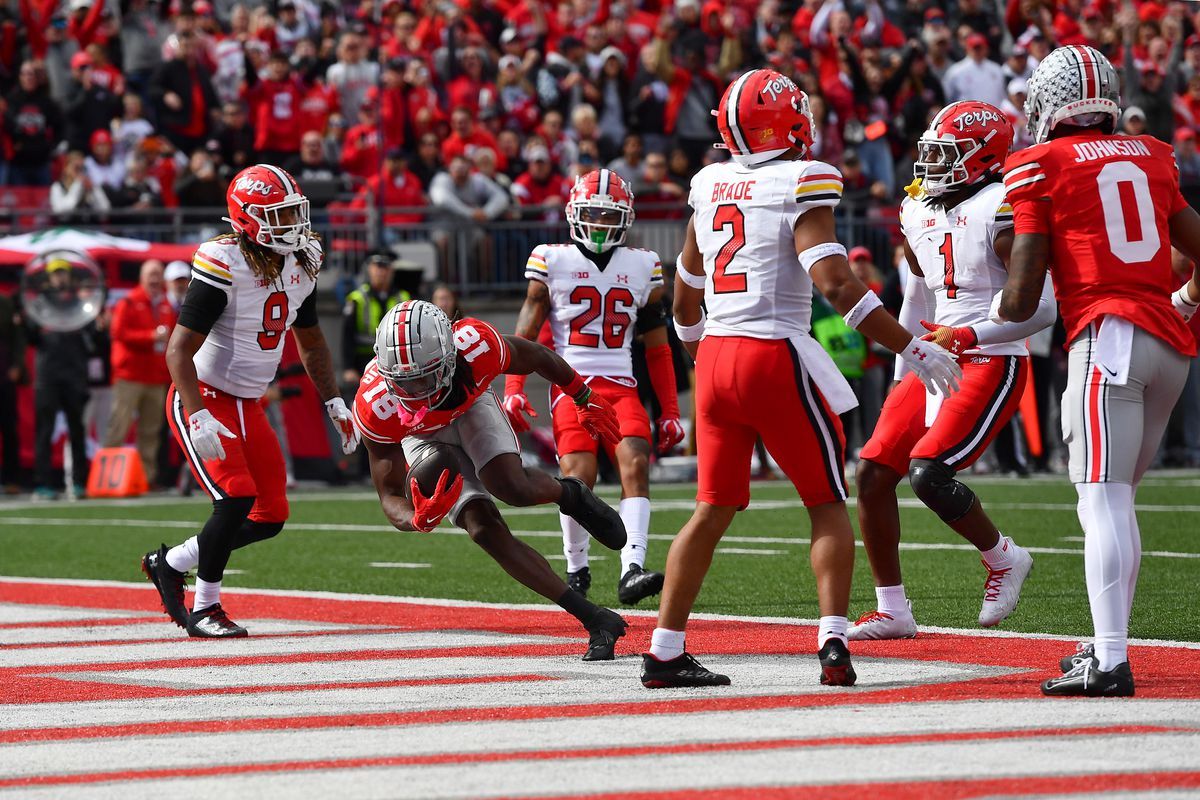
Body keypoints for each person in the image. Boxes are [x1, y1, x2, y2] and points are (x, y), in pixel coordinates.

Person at [642, 69, 962, 689]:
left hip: (715, 359)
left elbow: (685, 295)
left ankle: (663, 649)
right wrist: (914, 347)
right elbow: (838, 285)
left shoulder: (708, 184)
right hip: (772, 354)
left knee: (711, 509)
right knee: (824, 502)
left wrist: (698, 349)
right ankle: (833, 643)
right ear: (784, 121)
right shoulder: (801, 179)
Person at [999, 45, 1200, 697]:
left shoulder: (1040, 164)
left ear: (1051, 106)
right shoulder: (1154, 153)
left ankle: (1111, 660)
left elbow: (1025, 297)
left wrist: (985, 295)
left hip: (1107, 340)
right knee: (1118, 502)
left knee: (1103, 500)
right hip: (1168, 343)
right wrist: (1184, 300)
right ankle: (1104, 642)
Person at [849, 102, 1056, 641]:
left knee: (928, 472)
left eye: (946, 155)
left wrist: (968, 335)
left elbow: (1041, 307)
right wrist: (906, 363)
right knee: (871, 474)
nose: (933, 165)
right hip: (934, 354)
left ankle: (1003, 556)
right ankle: (893, 609)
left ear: (985, 156)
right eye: (931, 153)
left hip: (991, 355)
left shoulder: (1002, 204)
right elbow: (917, 290)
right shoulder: (918, 208)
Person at [140, 164, 360, 639]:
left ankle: (169, 562)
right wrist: (196, 413)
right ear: (245, 220)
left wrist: (333, 402)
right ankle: (205, 608)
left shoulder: (301, 261)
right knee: (236, 496)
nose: (292, 226)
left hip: (247, 402)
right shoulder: (224, 261)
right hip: (203, 395)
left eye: (292, 213)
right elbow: (178, 349)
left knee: (270, 515)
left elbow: (312, 340)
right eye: (277, 216)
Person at [354, 300, 630, 660]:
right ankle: (594, 618)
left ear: (450, 355)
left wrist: (582, 395)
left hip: (470, 406)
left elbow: (534, 355)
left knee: (511, 487)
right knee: (482, 528)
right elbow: (389, 495)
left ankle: (569, 493)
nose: (417, 390)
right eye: (405, 381)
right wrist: (416, 519)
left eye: (425, 375)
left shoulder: (474, 346)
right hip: (419, 436)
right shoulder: (375, 405)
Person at [504, 169, 684, 606]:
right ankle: (577, 564)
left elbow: (658, 347)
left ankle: (633, 568)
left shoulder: (643, 264)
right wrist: (514, 386)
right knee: (578, 477)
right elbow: (526, 333)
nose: (602, 223)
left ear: (624, 218)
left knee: (635, 466)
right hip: (571, 383)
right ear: (575, 214)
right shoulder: (552, 258)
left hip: (621, 384)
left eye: (610, 215)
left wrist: (671, 409)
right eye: (594, 214)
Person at [103, 259, 177, 488]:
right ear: (142, 278)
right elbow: (118, 332)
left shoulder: (165, 304)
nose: (155, 279)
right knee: (119, 426)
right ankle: (107, 478)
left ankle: (146, 478)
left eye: (158, 274)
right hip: (130, 375)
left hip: (155, 376)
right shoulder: (129, 301)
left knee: (150, 430)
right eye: (151, 274)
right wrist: (150, 337)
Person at [342, 253, 411, 388]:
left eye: (385, 267)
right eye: (377, 266)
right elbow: (347, 335)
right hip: (363, 361)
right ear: (369, 269)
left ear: (392, 270)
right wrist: (348, 367)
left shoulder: (403, 297)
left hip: (396, 362)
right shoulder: (357, 298)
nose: (381, 271)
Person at [0, 292, 26, 494]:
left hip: (3, 373)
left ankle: (12, 479)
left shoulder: (5, 303)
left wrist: (17, 364)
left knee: (9, 427)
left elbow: (17, 338)